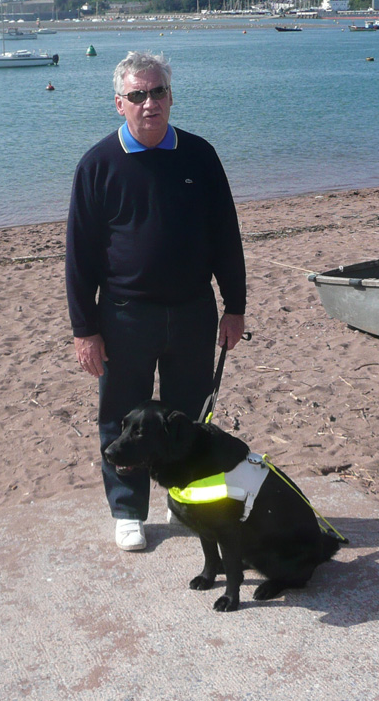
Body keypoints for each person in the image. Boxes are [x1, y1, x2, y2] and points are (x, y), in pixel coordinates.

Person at [66, 51, 247, 552]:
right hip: (124, 315)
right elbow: (78, 256)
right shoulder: (98, 165)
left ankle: (182, 496)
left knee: (185, 417)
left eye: (158, 93)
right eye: (138, 95)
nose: (150, 103)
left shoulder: (199, 155)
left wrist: (235, 306)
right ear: (119, 103)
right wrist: (85, 329)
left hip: (193, 311)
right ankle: (128, 509)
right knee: (123, 418)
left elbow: (225, 237)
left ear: (171, 97)